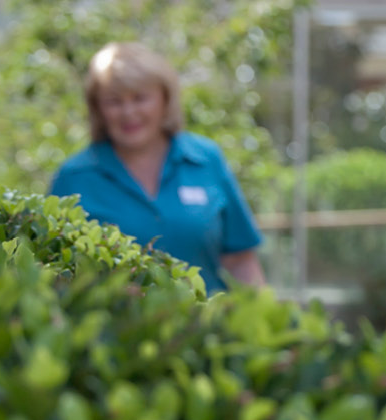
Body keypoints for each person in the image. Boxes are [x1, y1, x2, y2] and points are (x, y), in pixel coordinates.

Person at [51, 42, 266, 292]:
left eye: (140, 98)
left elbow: (240, 260)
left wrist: (264, 312)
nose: (129, 112)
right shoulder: (74, 177)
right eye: (114, 101)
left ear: (165, 99)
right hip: (113, 318)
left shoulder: (205, 160)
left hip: (207, 315)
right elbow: (56, 276)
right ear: (97, 109)